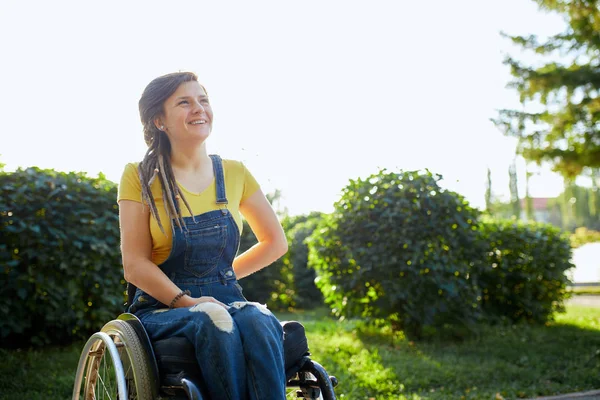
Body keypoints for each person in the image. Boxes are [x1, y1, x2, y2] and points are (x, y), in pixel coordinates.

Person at [117, 71, 288, 400]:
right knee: (212, 317)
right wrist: (189, 300)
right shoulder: (138, 176)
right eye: (184, 102)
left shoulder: (235, 172)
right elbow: (135, 265)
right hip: (160, 307)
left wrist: (221, 277)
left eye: (203, 100)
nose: (199, 108)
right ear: (159, 120)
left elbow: (275, 242)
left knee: (258, 316)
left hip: (224, 295)